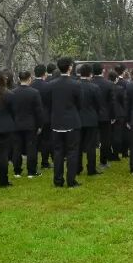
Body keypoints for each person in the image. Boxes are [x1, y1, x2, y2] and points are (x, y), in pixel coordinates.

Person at [42, 57, 83, 188]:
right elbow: (80, 103)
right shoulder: (76, 84)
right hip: (71, 121)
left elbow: (48, 103)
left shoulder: (50, 85)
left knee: (58, 152)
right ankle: (71, 180)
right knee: (72, 152)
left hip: (56, 121)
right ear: (70, 67)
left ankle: (58, 180)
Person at [10, 70, 44, 178]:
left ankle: (17, 171)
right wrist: (40, 125)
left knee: (17, 148)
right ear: (30, 79)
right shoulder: (34, 92)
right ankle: (31, 171)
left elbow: (10, 110)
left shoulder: (12, 93)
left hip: (16, 124)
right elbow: (39, 111)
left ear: (19, 79)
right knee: (31, 148)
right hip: (30, 124)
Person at [77, 64, 103, 177]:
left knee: (77, 145)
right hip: (91, 119)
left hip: (78, 119)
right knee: (91, 146)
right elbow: (99, 105)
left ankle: (77, 167)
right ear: (90, 74)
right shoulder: (94, 87)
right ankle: (91, 169)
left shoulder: (75, 86)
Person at [31, 64, 51, 170]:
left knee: (34, 142)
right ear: (45, 73)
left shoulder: (31, 86)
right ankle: (45, 162)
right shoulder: (48, 86)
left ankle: (33, 163)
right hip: (46, 116)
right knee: (46, 141)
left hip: (33, 117)